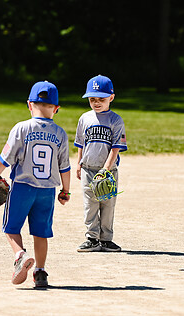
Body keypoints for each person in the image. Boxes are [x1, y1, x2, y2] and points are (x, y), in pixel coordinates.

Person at [0, 81, 71, 288]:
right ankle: (41, 272)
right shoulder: (60, 133)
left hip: (22, 187)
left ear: (29, 105)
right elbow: (64, 167)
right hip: (47, 192)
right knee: (41, 233)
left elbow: (5, 158)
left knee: (11, 228)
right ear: (56, 108)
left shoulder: (22, 128)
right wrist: (66, 190)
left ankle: (20, 255)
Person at [74, 75, 127, 252]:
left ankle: (106, 239)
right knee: (90, 205)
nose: (97, 103)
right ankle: (92, 238)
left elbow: (116, 147)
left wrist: (106, 169)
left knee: (107, 205)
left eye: (101, 99)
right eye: (92, 99)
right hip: (88, 169)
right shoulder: (84, 118)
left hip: (108, 171)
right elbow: (81, 143)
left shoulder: (116, 120)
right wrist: (79, 163)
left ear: (111, 97)